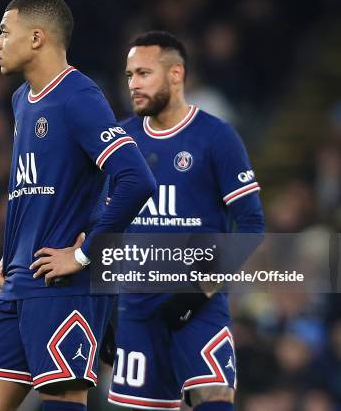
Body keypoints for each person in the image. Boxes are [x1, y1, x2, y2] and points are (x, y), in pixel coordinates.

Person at [0, 0, 156, 411]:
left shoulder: (78, 96)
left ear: (36, 37)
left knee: (60, 399)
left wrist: (87, 254)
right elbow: (32, 191)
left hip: (63, 285)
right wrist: (10, 255)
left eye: (4, 31)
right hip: (22, 279)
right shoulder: (22, 100)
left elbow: (136, 179)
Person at [107, 31, 265, 411]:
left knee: (214, 399)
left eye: (144, 73)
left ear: (176, 74)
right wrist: (102, 308)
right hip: (135, 308)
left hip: (199, 307)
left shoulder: (216, 137)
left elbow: (251, 224)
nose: (134, 84)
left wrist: (198, 292)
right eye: (130, 75)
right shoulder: (120, 141)